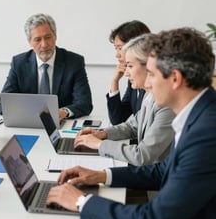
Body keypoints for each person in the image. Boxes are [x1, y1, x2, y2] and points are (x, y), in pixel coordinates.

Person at [46, 28, 216, 219]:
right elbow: (163, 170)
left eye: (152, 75)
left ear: (175, 78)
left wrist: (81, 202)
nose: (147, 84)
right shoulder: (198, 114)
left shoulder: (206, 133)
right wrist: (100, 175)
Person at [74, 34, 175, 166]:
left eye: (130, 66)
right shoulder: (149, 95)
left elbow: (142, 155)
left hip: (156, 179)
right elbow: (132, 126)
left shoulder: (166, 104)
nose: (126, 73)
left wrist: (100, 145)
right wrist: (102, 134)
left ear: (149, 66)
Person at [0, 13, 92, 121]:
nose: (44, 44)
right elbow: (3, 104)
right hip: (29, 124)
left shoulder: (74, 62)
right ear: (29, 42)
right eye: (38, 40)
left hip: (61, 124)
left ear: (55, 36)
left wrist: (64, 112)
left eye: (48, 37)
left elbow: (85, 103)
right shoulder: (19, 63)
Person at [107, 20, 151, 125]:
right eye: (115, 48)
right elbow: (118, 119)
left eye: (120, 48)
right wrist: (114, 82)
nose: (116, 55)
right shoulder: (134, 79)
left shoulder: (153, 83)